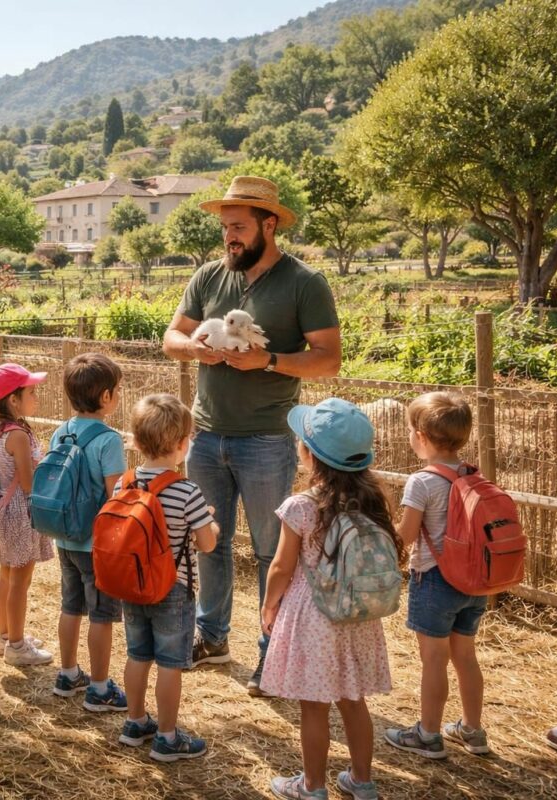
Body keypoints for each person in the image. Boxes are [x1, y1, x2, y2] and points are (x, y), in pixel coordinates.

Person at [162, 175, 342, 696]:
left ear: (269, 225)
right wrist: (195, 350)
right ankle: (213, 637)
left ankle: (272, 654)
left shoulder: (304, 282)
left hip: (266, 439)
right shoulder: (208, 276)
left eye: (238, 227)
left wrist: (269, 361)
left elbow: (328, 360)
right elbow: (171, 337)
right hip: (206, 436)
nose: (229, 238)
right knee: (209, 542)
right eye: (225, 228)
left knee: (270, 551)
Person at [262, 399, 400, 800]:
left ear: (309, 454)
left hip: (315, 616)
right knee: (353, 701)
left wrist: (269, 604)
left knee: (314, 706)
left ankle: (313, 786)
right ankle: (362, 781)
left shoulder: (302, 507)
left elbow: (282, 566)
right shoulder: (373, 500)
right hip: (357, 615)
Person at [385, 392, 492, 759]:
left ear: (421, 436)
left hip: (435, 580)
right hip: (474, 582)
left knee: (434, 660)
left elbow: (407, 535)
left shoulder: (422, 482)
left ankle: (428, 734)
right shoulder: (472, 474)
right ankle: (472, 729)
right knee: (466, 656)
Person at [116, 394, 219, 763]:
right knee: (170, 664)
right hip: (173, 589)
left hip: (132, 585)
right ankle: (167, 736)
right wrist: (211, 524)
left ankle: (134, 722)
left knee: (137, 655)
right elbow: (206, 544)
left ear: (137, 441)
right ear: (181, 444)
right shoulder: (187, 491)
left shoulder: (124, 483)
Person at [50, 353, 129, 710]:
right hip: (95, 542)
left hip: (64, 535)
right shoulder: (109, 440)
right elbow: (116, 495)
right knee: (101, 615)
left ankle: (68, 673)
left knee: (70, 606)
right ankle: (99, 687)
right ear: (106, 396)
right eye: (118, 391)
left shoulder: (61, 431)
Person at [0, 363, 54, 666]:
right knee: (20, 582)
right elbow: (27, 483)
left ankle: (6, 635)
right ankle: (17, 646)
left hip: (3, 511)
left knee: (7, 576)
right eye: (31, 392)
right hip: (21, 513)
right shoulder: (19, 436)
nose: (36, 398)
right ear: (13, 399)